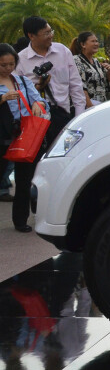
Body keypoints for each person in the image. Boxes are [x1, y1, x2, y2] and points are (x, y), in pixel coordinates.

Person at [0, 43, 48, 232]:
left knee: (24, 179)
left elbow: (39, 99)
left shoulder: (22, 81)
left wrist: (38, 104)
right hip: (3, 136)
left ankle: (20, 220)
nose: (8, 68)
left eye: (11, 64)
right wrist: (2, 99)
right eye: (3, 65)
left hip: (24, 136)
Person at [15, 16, 86, 144]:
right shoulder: (21, 60)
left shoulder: (63, 51)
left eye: (51, 31)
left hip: (64, 117)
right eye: (46, 33)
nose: (51, 36)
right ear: (31, 36)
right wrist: (37, 88)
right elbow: (18, 94)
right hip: (36, 122)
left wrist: (78, 117)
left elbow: (75, 85)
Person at [71, 32, 110, 107]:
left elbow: (108, 81)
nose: (96, 44)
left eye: (97, 41)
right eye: (93, 41)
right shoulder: (76, 60)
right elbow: (80, 86)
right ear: (83, 44)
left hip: (100, 105)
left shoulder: (96, 61)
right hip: (86, 106)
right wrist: (90, 107)